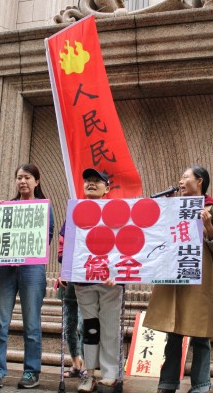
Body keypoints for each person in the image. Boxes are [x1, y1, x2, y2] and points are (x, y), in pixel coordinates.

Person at [144, 166, 213, 393]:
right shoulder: (173, 207)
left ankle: (201, 384)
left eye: (185, 177)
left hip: (198, 281)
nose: (180, 181)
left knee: (200, 334)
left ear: (199, 181)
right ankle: (168, 383)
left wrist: (209, 227)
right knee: (173, 331)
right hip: (173, 276)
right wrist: (166, 208)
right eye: (180, 178)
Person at [0, 163, 54, 389]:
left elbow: (48, 235)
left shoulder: (43, 207)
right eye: (19, 178)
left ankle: (31, 372)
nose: (23, 181)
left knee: (32, 323)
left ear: (37, 181)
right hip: (5, 269)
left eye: (27, 177)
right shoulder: (7, 206)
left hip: (32, 269)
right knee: (0, 321)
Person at [73, 168, 124, 393]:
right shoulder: (75, 210)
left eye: (97, 181)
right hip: (83, 281)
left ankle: (111, 374)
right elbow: (67, 242)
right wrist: (65, 272)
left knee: (110, 326)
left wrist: (119, 273)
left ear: (107, 188)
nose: (91, 184)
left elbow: (126, 244)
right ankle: (89, 374)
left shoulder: (118, 211)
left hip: (110, 282)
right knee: (90, 328)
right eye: (88, 181)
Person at [57, 225, 85, 379]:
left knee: (84, 325)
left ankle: (86, 366)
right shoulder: (70, 220)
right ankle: (76, 364)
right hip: (69, 278)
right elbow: (61, 252)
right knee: (69, 325)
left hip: (88, 278)